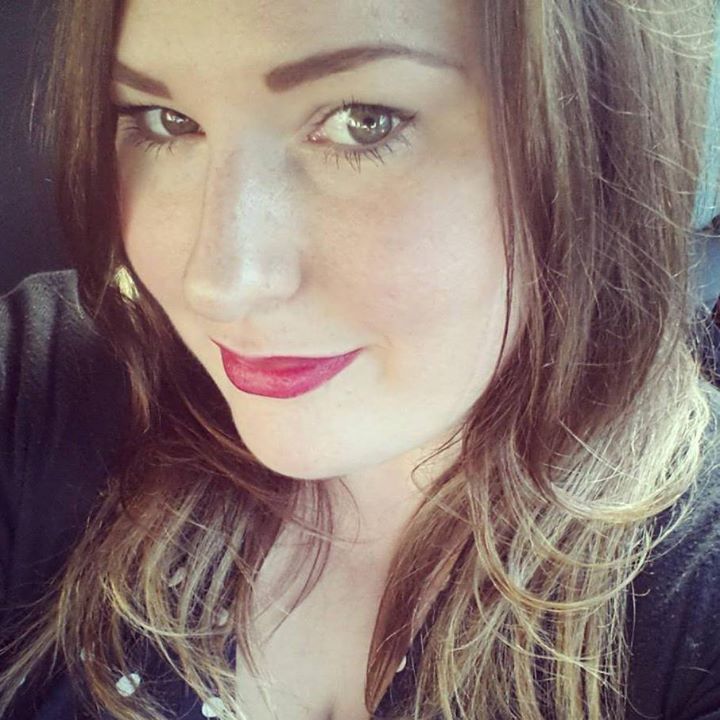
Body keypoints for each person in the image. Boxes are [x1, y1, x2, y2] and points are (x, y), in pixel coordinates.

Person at [1, 0, 720, 718]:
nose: (219, 284)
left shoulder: (693, 598)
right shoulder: (47, 383)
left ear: (599, 143)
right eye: (167, 121)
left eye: (364, 121)